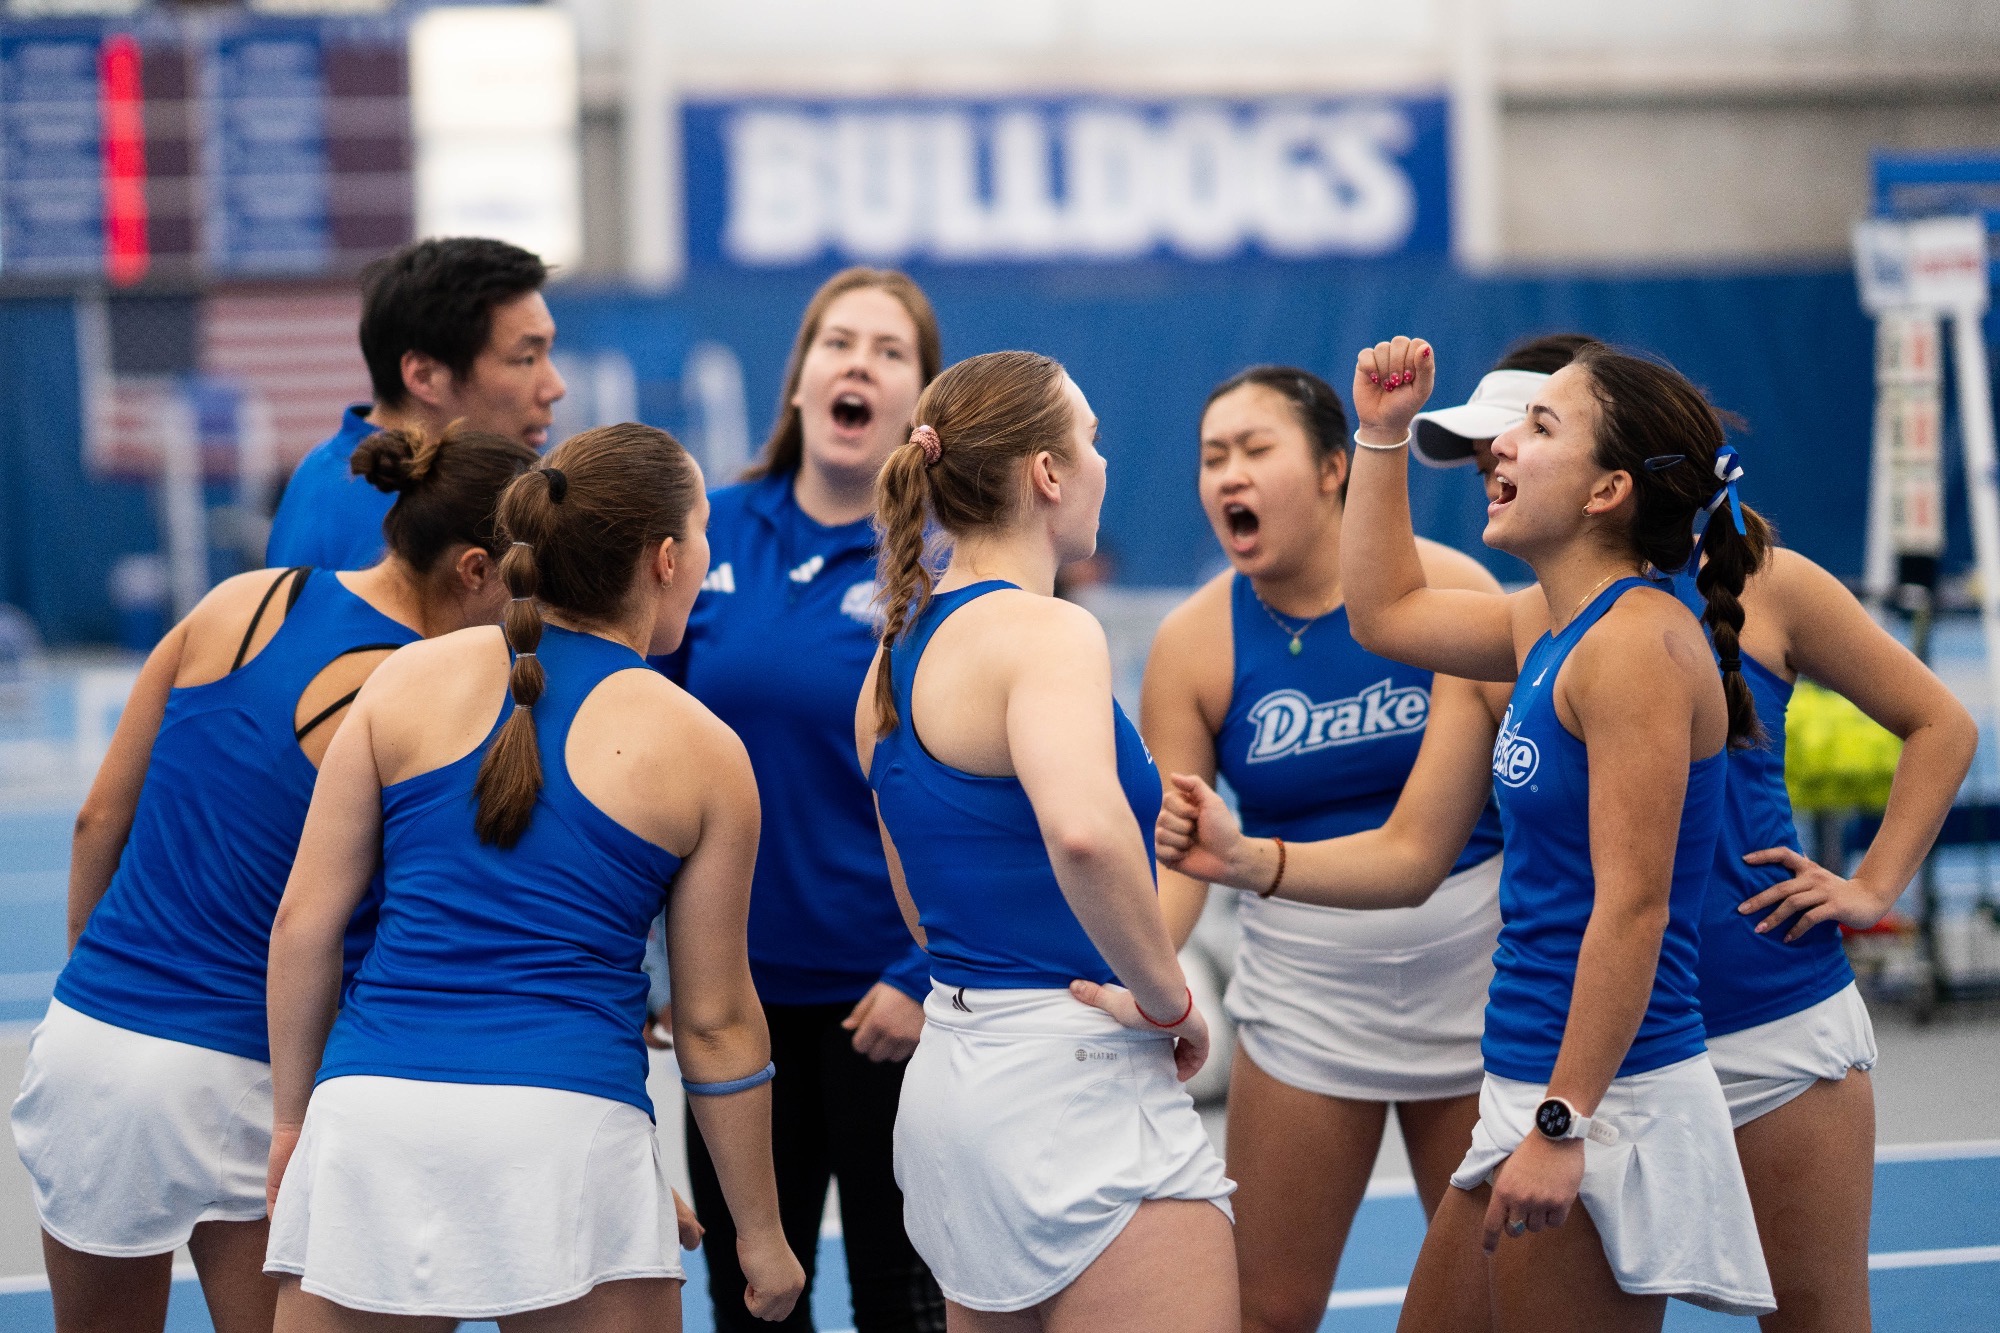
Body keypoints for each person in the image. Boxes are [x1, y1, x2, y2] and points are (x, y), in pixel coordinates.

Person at [262, 425, 805, 1330]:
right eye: (706, 532)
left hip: (372, 1119)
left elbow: (302, 925)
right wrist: (761, 1234)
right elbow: (714, 1023)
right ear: (667, 559)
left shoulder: (399, 681)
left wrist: (292, 1127)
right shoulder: (704, 749)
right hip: (571, 1130)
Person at [12, 423, 537, 1333]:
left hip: (90, 1042)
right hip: (248, 1075)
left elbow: (98, 819)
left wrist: (103, 991)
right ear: (475, 569)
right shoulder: (423, 698)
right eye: (531, 583)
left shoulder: (242, 599)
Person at [1340, 336, 1776, 1329]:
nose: (1500, 447)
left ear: (1607, 491)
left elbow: (1633, 908)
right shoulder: (1545, 625)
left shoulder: (1635, 647)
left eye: (1539, 427)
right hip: (1532, 1072)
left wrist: (1560, 1119)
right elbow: (1381, 613)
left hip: (1599, 1097)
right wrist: (1380, 434)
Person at [858, 351, 1236, 1331]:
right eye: (1091, 439)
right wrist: (1168, 998)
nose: (1104, 461)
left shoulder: (890, 662)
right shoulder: (1048, 633)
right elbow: (1081, 834)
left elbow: (920, 907)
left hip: (954, 1085)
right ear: (1046, 473)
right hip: (1074, 1084)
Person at [1139, 365, 1504, 1333]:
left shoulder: (1452, 590)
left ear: (1335, 467)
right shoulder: (1192, 644)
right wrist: (1139, 979)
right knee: (1265, 1309)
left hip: (1476, 988)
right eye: (1212, 457)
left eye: (1255, 449)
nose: (1228, 474)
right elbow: (1179, 855)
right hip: (1304, 1004)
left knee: (1493, 1301)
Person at [656, 267, 947, 1333]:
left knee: (904, 1303)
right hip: (730, 1000)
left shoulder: (941, 559)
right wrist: (651, 959)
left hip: (886, 1004)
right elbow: (635, 744)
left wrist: (922, 971)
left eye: (888, 350)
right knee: (755, 1303)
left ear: (919, 404)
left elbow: (978, 789)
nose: (858, 363)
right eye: (838, 342)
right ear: (799, 378)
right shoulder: (708, 528)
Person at [266, 237, 565, 571]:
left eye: (547, 353)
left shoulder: (327, 466)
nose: (556, 388)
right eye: (526, 358)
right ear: (425, 377)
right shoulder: (403, 523)